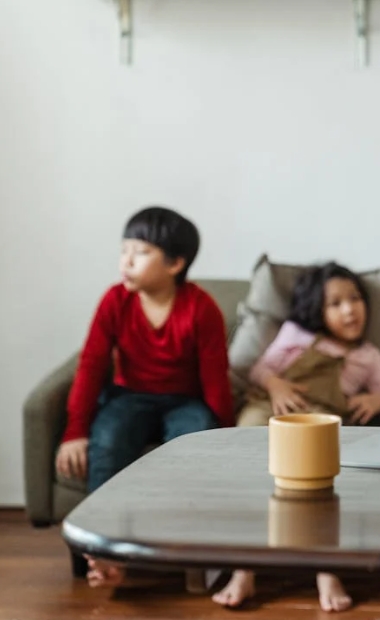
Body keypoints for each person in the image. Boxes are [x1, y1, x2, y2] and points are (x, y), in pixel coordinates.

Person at [212, 261, 380, 610]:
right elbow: (260, 370)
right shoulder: (295, 335)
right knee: (252, 459)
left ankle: (326, 567)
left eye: (355, 299)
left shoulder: (368, 356)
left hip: (321, 419)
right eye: (335, 303)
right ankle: (244, 568)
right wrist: (276, 385)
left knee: (314, 475)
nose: (349, 309)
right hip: (272, 409)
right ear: (315, 310)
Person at [55, 206, 234, 583]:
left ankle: (185, 550)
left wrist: (228, 438)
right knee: (107, 441)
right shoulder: (114, 301)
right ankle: (100, 553)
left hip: (184, 400)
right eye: (124, 250)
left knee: (196, 436)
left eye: (140, 252)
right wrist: (75, 430)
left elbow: (216, 379)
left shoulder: (201, 309)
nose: (127, 261)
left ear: (175, 263)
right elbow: (90, 366)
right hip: (130, 395)